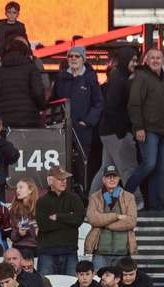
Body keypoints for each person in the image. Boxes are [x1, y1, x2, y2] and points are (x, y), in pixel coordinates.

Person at [125, 49, 164, 209]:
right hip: (148, 130)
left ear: (163, 60)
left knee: (160, 169)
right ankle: (123, 196)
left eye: (158, 58)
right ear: (146, 61)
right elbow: (133, 104)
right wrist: (139, 127)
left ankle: (157, 207)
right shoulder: (141, 77)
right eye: (152, 58)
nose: (156, 60)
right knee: (149, 165)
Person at [92, 47, 140, 199]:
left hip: (109, 131)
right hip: (115, 132)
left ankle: (92, 198)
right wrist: (122, 132)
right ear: (125, 60)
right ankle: (136, 200)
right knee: (127, 167)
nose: (135, 63)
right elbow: (112, 107)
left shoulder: (119, 77)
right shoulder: (119, 79)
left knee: (106, 169)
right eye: (132, 60)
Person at [52, 46, 103, 185]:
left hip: (82, 129)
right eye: (70, 56)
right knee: (62, 162)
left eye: (77, 56)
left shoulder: (90, 79)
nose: (73, 59)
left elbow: (98, 103)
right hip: (63, 129)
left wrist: (87, 122)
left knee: (82, 164)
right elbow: (53, 101)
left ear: (83, 59)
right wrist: (56, 121)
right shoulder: (61, 78)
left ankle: (82, 196)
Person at [85, 165, 137, 270]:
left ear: (119, 178)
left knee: (121, 284)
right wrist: (116, 216)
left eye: (114, 176)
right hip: (101, 252)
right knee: (100, 283)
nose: (112, 179)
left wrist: (104, 223)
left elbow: (131, 221)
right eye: (109, 177)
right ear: (103, 179)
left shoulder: (129, 197)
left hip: (122, 251)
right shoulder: (94, 197)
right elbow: (93, 219)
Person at [35, 164, 84, 276]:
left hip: (70, 251)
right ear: (50, 180)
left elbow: (78, 220)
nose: (64, 182)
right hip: (47, 252)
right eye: (60, 179)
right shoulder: (42, 201)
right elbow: (44, 225)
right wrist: (69, 219)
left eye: (65, 179)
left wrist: (58, 217)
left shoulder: (74, 198)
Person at [0, 37, 46, 129]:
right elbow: (38, 92)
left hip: (6, 118)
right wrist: (42, 107)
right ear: (26, 52)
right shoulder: (31, 68)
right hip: (29, 118)